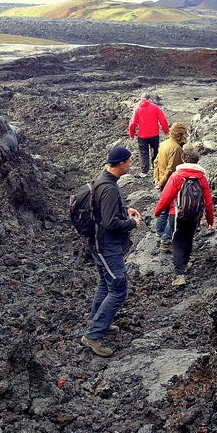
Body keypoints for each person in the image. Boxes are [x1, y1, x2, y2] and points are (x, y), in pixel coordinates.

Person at [81, 146, 142, 357]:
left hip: (100, 245)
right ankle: (93, 335)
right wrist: (131, 223)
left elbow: (104, 210)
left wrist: (126, 210)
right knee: (118, 289)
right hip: (107, 248)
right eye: (130, 161)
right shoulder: (109, 188)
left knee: (105, 285)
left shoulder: (104, 181)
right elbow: (109, 222)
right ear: (121, 164)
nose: (131, 164)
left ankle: (100, 323)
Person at [153, 146, 215, 287]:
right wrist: (210, 220)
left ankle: (179, 275)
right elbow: (208, 201)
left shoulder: (177, 176)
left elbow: (165, 197)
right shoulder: (202, 178)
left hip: (177, 214)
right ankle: (186, 263)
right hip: (195, 215)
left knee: (177, 242)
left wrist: (157, 212)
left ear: (183, 159)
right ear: (197, 161)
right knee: (189, 238)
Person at [152, 122, 188, 247]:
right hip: (169, 184)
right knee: (173, 212)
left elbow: (156, 162)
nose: (186, 136)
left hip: (162, 181)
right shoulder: (176, 148)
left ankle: (159, 233)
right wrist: (161, 183)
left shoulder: (164, 144)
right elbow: (172, 169)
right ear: (179, 134)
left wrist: (156, 179)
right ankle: (166, 238)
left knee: (164, 210)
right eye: (184, 133)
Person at [127, 92, 170, 176]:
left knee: (144, 153)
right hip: (154, 134)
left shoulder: (138, 109)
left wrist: (131, 135)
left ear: (141, 99)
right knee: (155, 151)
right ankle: (156, 168)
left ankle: (144, 171)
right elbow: (163, 120)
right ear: (149, 99)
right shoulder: (155, 108)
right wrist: (166, 131)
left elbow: (132, 123)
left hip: (142, 136)